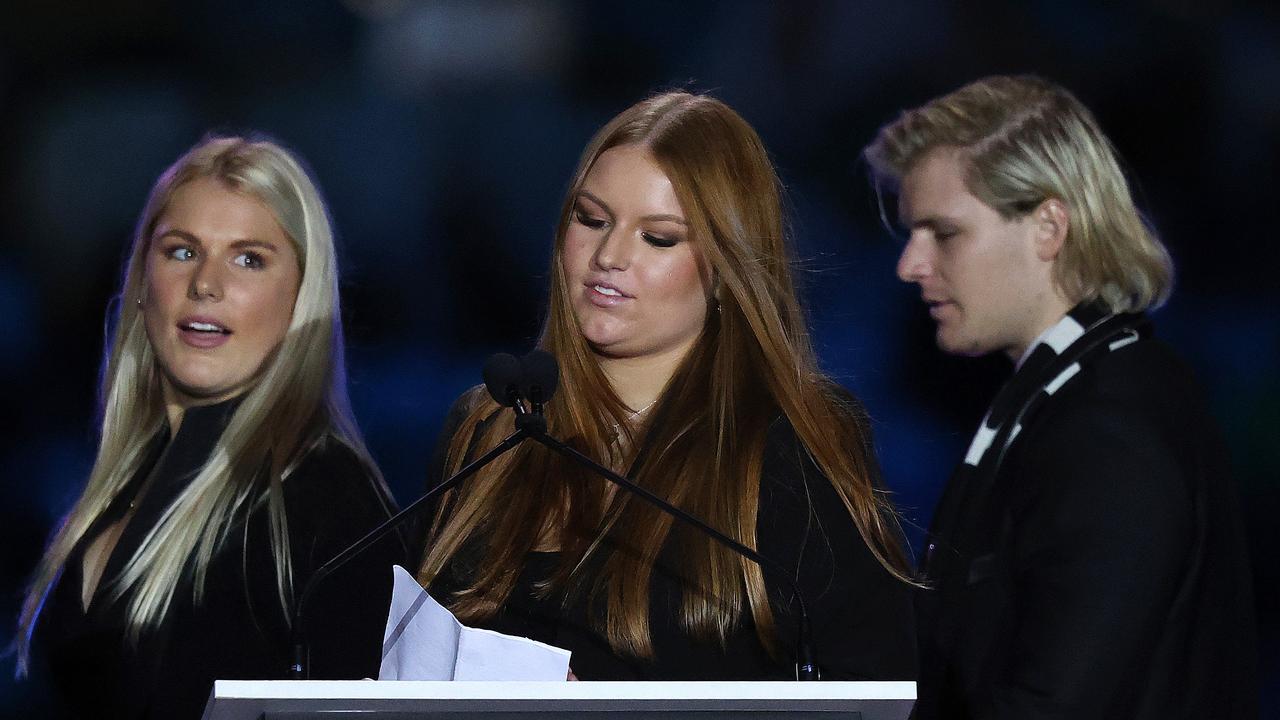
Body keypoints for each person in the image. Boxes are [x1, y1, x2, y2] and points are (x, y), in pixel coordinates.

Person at [415, 91, 917, 681]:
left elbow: (870, 687)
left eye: (658, 238)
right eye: (592, 219)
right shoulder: (489, 430)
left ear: (728, 268)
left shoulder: (789, 444)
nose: (608, 255)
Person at [863, 75, 1257, 719]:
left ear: (1048, 227)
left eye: (944, 233)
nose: (911, 264)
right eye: (913, 233)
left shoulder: (1112, 422)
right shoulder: (1071, 397)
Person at [15, 136, 406, 718]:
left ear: (302, 298)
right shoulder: (133, 473)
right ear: (143, 282)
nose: (206, 284)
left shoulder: (322, 496)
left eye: (249, 259)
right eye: (181, 251)